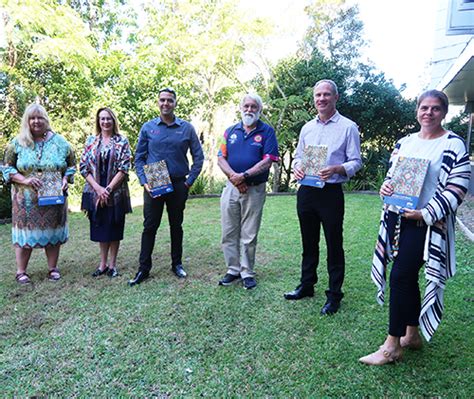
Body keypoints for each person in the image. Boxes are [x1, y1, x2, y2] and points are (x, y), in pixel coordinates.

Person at [359, 90, 471, 366]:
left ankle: (392, 345)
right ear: (417, 111)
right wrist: (386, 188)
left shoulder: (454, 145)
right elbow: (391, 178)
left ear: (444, 113)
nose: (428, 113)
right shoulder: (404, 142)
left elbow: (457, 189)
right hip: (399, 220)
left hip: (428, 224)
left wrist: (426, 212)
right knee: (406, 278)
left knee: (399, 276)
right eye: (424, 107)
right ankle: (412, 334)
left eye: (435, 108)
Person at [284, 79, 362, 316]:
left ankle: (334, 295)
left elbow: (356, 161)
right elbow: (298, 156)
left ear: (336, 98)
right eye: (318, 95)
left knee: (333, 244)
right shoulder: (307, 128)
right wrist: (297, 167)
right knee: (308, 242)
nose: (321, 99)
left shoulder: (348, 127)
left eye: (327, 94)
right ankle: (307, 285)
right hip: (306, 191)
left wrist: (337, 169)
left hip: (330, 193)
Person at [129, 88, 204, 286]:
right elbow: (139, 158)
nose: (165, 104)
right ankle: (143, 269)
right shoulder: (148, 127)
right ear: (158, 102)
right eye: (162, 100)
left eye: (169, 100)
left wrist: (189, 182)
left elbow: (199, 157)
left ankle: (176, 264)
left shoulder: (186, 128)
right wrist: (144, 182)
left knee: (176, 226)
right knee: (149, 227)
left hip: (179, 182)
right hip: (155, 181)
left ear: (175, 103)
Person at [2, 103, 76, 284]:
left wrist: (66, 180)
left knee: (52, 233)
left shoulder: (60, 142)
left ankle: (52, 269)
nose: (36, 121)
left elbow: (72, 165)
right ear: (27, 121)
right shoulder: (17, 142)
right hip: (25, 201)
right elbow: (6, 167)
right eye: (32, 118)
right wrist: (24, 179)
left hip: (53, 198)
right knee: (24, 235)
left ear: (46, 120)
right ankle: (21, 272)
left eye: (40, 118)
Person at [217, 93, 280, 290]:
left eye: (254, 107)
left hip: (254, 190)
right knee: (228, 231)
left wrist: (243, 176)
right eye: (246, 106)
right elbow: (220, 158)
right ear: (241, 108)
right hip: (231, 188)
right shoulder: (229, 131)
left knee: (249, 233)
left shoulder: (267, 132)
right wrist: (235, 179)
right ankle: (233, 270)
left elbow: (268, 160)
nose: (249, 110)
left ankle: (247, 272)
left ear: (259, 110)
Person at [79, 107, 132, 278]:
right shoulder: (91, 141)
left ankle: (112, 265)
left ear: (113, 120)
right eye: (102, 119)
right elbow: (83, 167)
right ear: (98, 121)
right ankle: (102, 265)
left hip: (115, 193)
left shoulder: (122, 141)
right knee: (101, 227)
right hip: (95, 192)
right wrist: (98, 189)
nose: (105, 122)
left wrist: (108, 189)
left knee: (114, 227)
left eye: (108, 118)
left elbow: (124, 168)